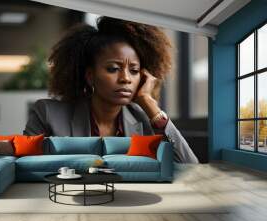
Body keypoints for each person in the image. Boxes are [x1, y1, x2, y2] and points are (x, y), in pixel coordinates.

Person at [23, 16, 199, 163]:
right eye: (113, 69)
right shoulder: (47, 114)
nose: (126, 78)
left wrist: (149, 103)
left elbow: (190, 166)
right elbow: (26, 166)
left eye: (134, 71)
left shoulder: (146, 119)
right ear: (90, 75)